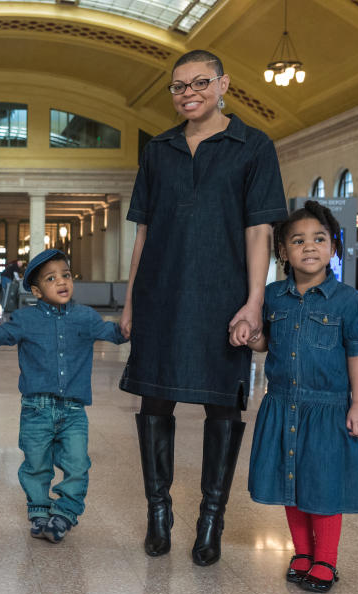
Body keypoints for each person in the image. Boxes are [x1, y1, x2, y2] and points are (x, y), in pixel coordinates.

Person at [118, 50, 288, 566]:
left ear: (223, 85)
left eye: (199, 83)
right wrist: (129, 302)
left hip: (223, 296)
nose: (187, 93)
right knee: (154, 404)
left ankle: (211, 519)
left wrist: (254, 303)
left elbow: (260, 229)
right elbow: (144, 230)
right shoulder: (159, 149)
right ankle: (159, 512)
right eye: (177, 86)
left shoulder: (253, 145)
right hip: (160, 295)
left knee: (223, 405)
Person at [232, 201, 358, 593]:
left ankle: (326, 558)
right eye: (298, 241)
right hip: (282, 403)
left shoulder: (350, 303)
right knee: (289, 483)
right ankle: (302, 552)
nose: (309, 246)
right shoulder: (273, 296)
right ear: (283, 252)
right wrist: (252, 334)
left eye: (319, 239)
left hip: (327, 410)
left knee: (323, 486)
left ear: (333, 248)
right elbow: (266, 344)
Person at [0, 249, 127, 542]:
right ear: (36, 291)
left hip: (74, 411)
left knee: (77, 464)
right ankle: (39, 510)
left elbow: (113, 333)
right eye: (51, 279)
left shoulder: (86, 317)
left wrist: (129, 328)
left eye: (65, 275)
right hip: (36, 409)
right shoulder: (25, 320)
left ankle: (64, 513)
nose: (62, 282)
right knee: (36, 464)